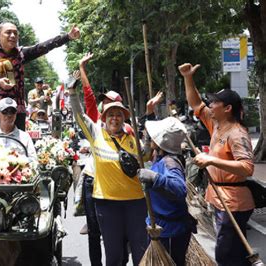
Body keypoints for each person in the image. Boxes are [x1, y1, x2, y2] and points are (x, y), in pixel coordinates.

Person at [178, 63, 254, 266]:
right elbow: (196, 105)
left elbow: (247, 167)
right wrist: (187, 77)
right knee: (234, 254)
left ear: (227, 109)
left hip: (233, 202)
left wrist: (211, 159)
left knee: (225, 255)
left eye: (214, 103)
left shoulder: (237, 134)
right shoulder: (217, 124)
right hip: (219, 199)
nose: (209, 106)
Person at [69, 75, 148, 266]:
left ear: (124, 118)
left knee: (140, 252)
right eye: (110, 114)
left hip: (136, 204)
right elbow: (80, 116)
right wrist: (72, 93)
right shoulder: (96, 134)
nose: (115, 118)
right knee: (113, 255)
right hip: (107, 204)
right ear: (104, 118)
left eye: (119, 114)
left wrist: (150, 117)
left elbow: (147, 155)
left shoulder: (134, 138)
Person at [0, 22, 80, 131]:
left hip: (17, 111)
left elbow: (43, 47)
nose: (13, 36)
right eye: (8, 32)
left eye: (15, 33)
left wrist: (67, 37)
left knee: (18, 146)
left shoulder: (21, 54)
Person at [138, 117, 195, 266]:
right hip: (161, 225)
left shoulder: (170, 162)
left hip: (171, 231)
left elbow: (179, 189)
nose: (149, 138)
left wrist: (155, 178)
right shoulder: (160, 157)